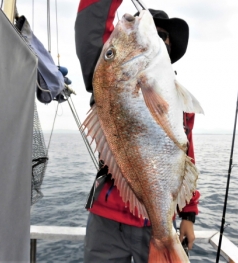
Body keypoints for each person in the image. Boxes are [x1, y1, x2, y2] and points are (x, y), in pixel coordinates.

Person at [75, 1, 200, 261]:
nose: (159, 36)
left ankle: (164, 237)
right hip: (108, 217)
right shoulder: (109, 81)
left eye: (163, 34)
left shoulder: (180, 102)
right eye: (155, 29)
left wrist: (188, 214)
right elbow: (90, 30)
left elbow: (185, 158)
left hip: (156, 222)